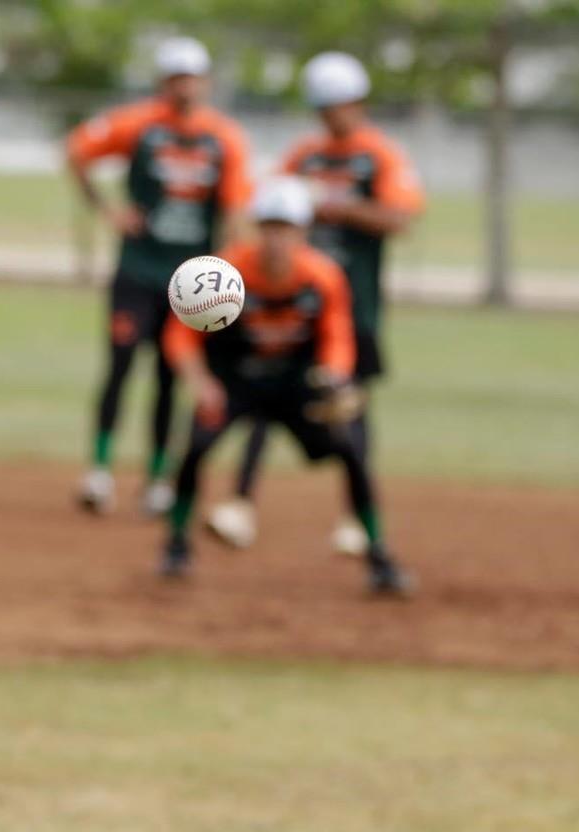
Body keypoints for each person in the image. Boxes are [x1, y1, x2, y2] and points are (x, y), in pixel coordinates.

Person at [206, 51, 425, 555]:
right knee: (262, 401)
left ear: (357, 102)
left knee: (349, 408)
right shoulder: (303, 156)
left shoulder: (380, 154)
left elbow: (400, 218)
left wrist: (333, 206)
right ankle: (240, 506)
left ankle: (354, 517)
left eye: (338, 105)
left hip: (353, 307)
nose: (330, 116)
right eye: (322, 107)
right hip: (288, 305)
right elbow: (260, 209)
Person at [159, 176, 411, 597]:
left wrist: (333, 378)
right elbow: (181, 335)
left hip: (294, 386)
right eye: (270, 227)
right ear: (258, 228)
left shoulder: (322, 277)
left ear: (303, 231)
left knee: (350, 449)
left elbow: (337, 336)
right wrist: (200, 383)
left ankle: (379, 555)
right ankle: (176, 545)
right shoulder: (225, 273)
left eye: (287, 227)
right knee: (196, 447)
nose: (277, 238)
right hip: (235, 383)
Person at [66, 36, 253, 517]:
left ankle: (155, 479)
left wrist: (228, 272)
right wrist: (109, 210)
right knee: (121, 365)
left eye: (192, 77)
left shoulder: (223, 137)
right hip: (137, 270)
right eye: (175, 77)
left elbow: (233, 210)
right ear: (162, 82)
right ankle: (100, 471)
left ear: (206, 82)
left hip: (190, 282)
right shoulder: (140, 124)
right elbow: (77, 150)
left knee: (171, 377)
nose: (184, 87)